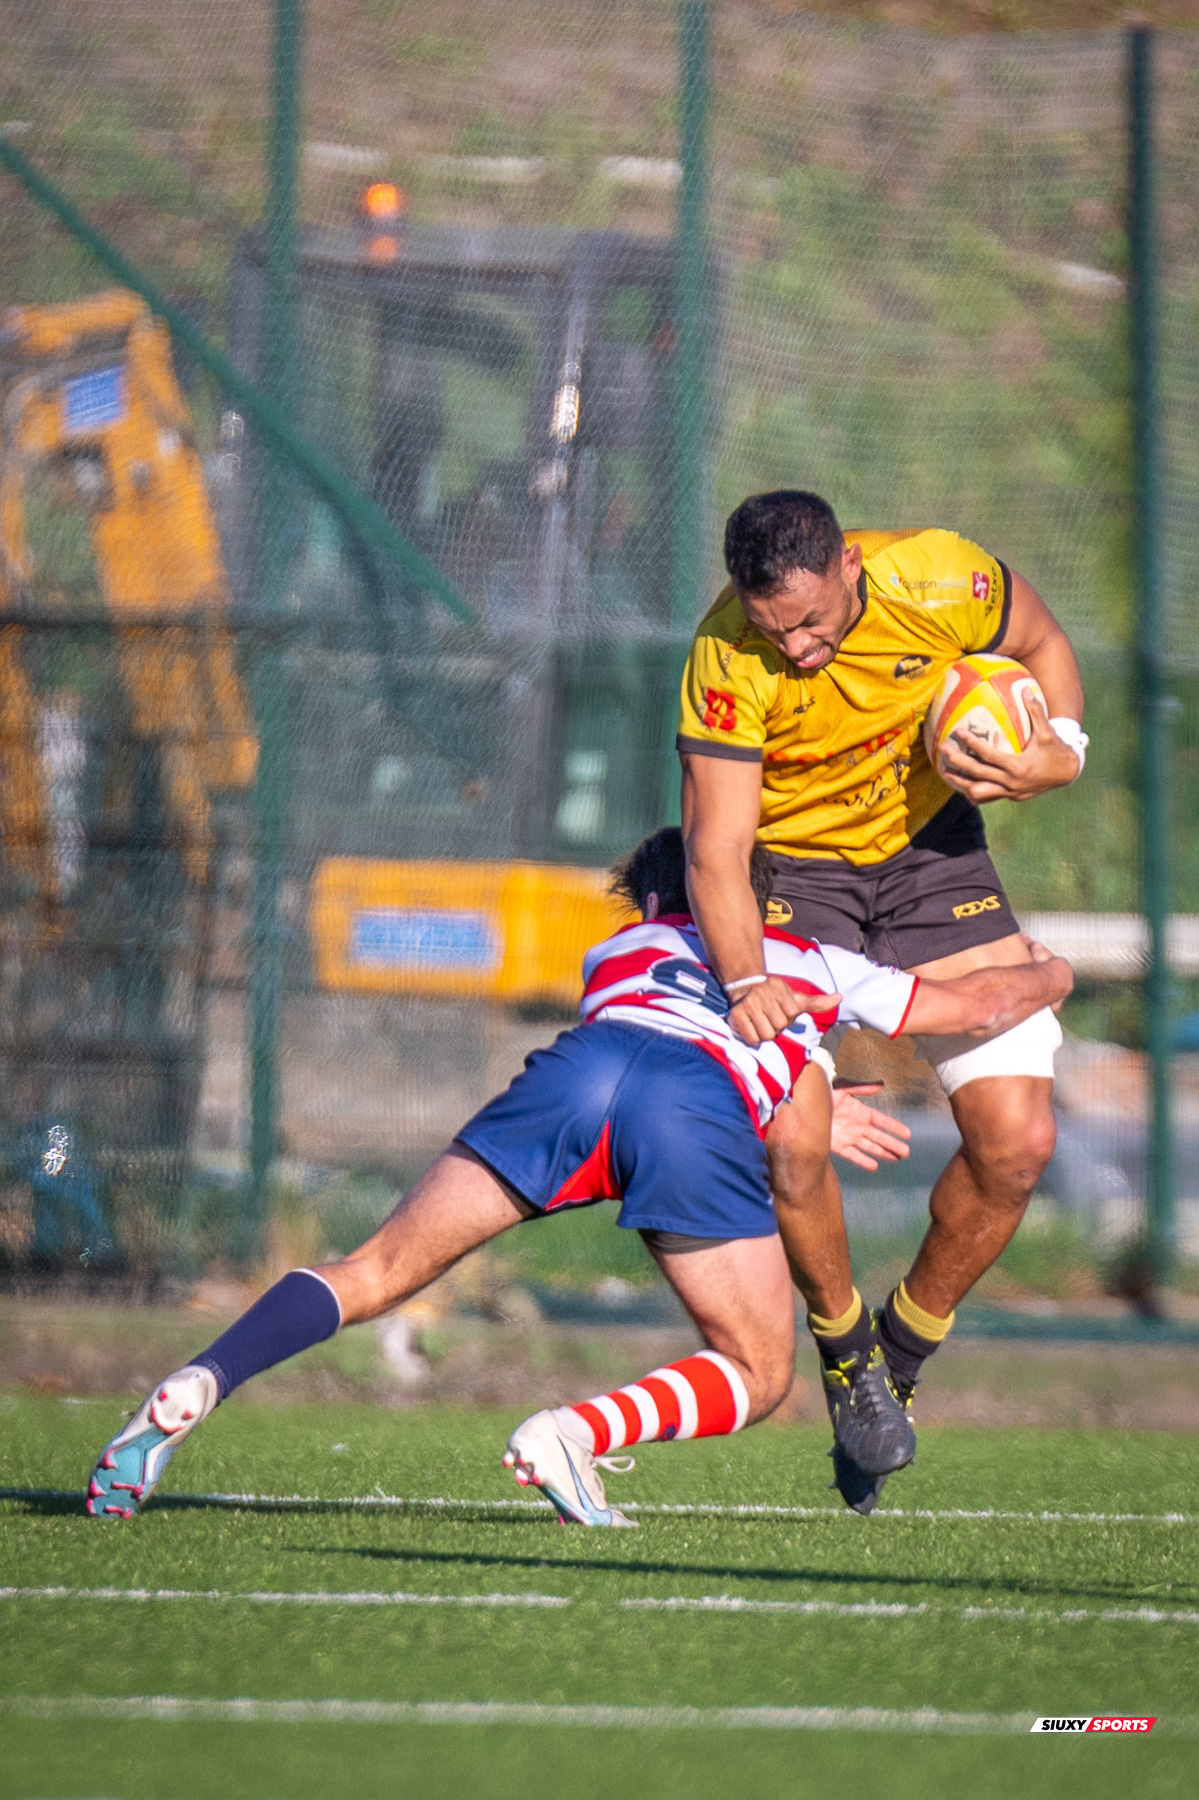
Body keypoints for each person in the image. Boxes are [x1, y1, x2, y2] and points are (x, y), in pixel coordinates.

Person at [85, 828, 1071, 1526]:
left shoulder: (619, 946)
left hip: (576, 1076)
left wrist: (793, 1079)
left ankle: (196, 1380)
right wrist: (1047, 976)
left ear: (651, 901)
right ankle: (575, 1433)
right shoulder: (805, 954)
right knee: (759, 1370)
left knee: (376, 1267)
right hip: (688, 1109)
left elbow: (682, 1016)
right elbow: (970, 1002)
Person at [677, 489, 1087, 1502]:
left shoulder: (939, 574)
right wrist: (744, 985)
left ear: (849, 569)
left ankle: (897, 1358)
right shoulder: (726, 655)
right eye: (776, 631)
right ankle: (843, 1349)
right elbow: (715, 850)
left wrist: (1056, 753)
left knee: (1016, 1142)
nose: (799, 650)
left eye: (813, 623)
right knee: (791, 1139)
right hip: (792, 883)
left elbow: (1039, 639)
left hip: (927, 859)